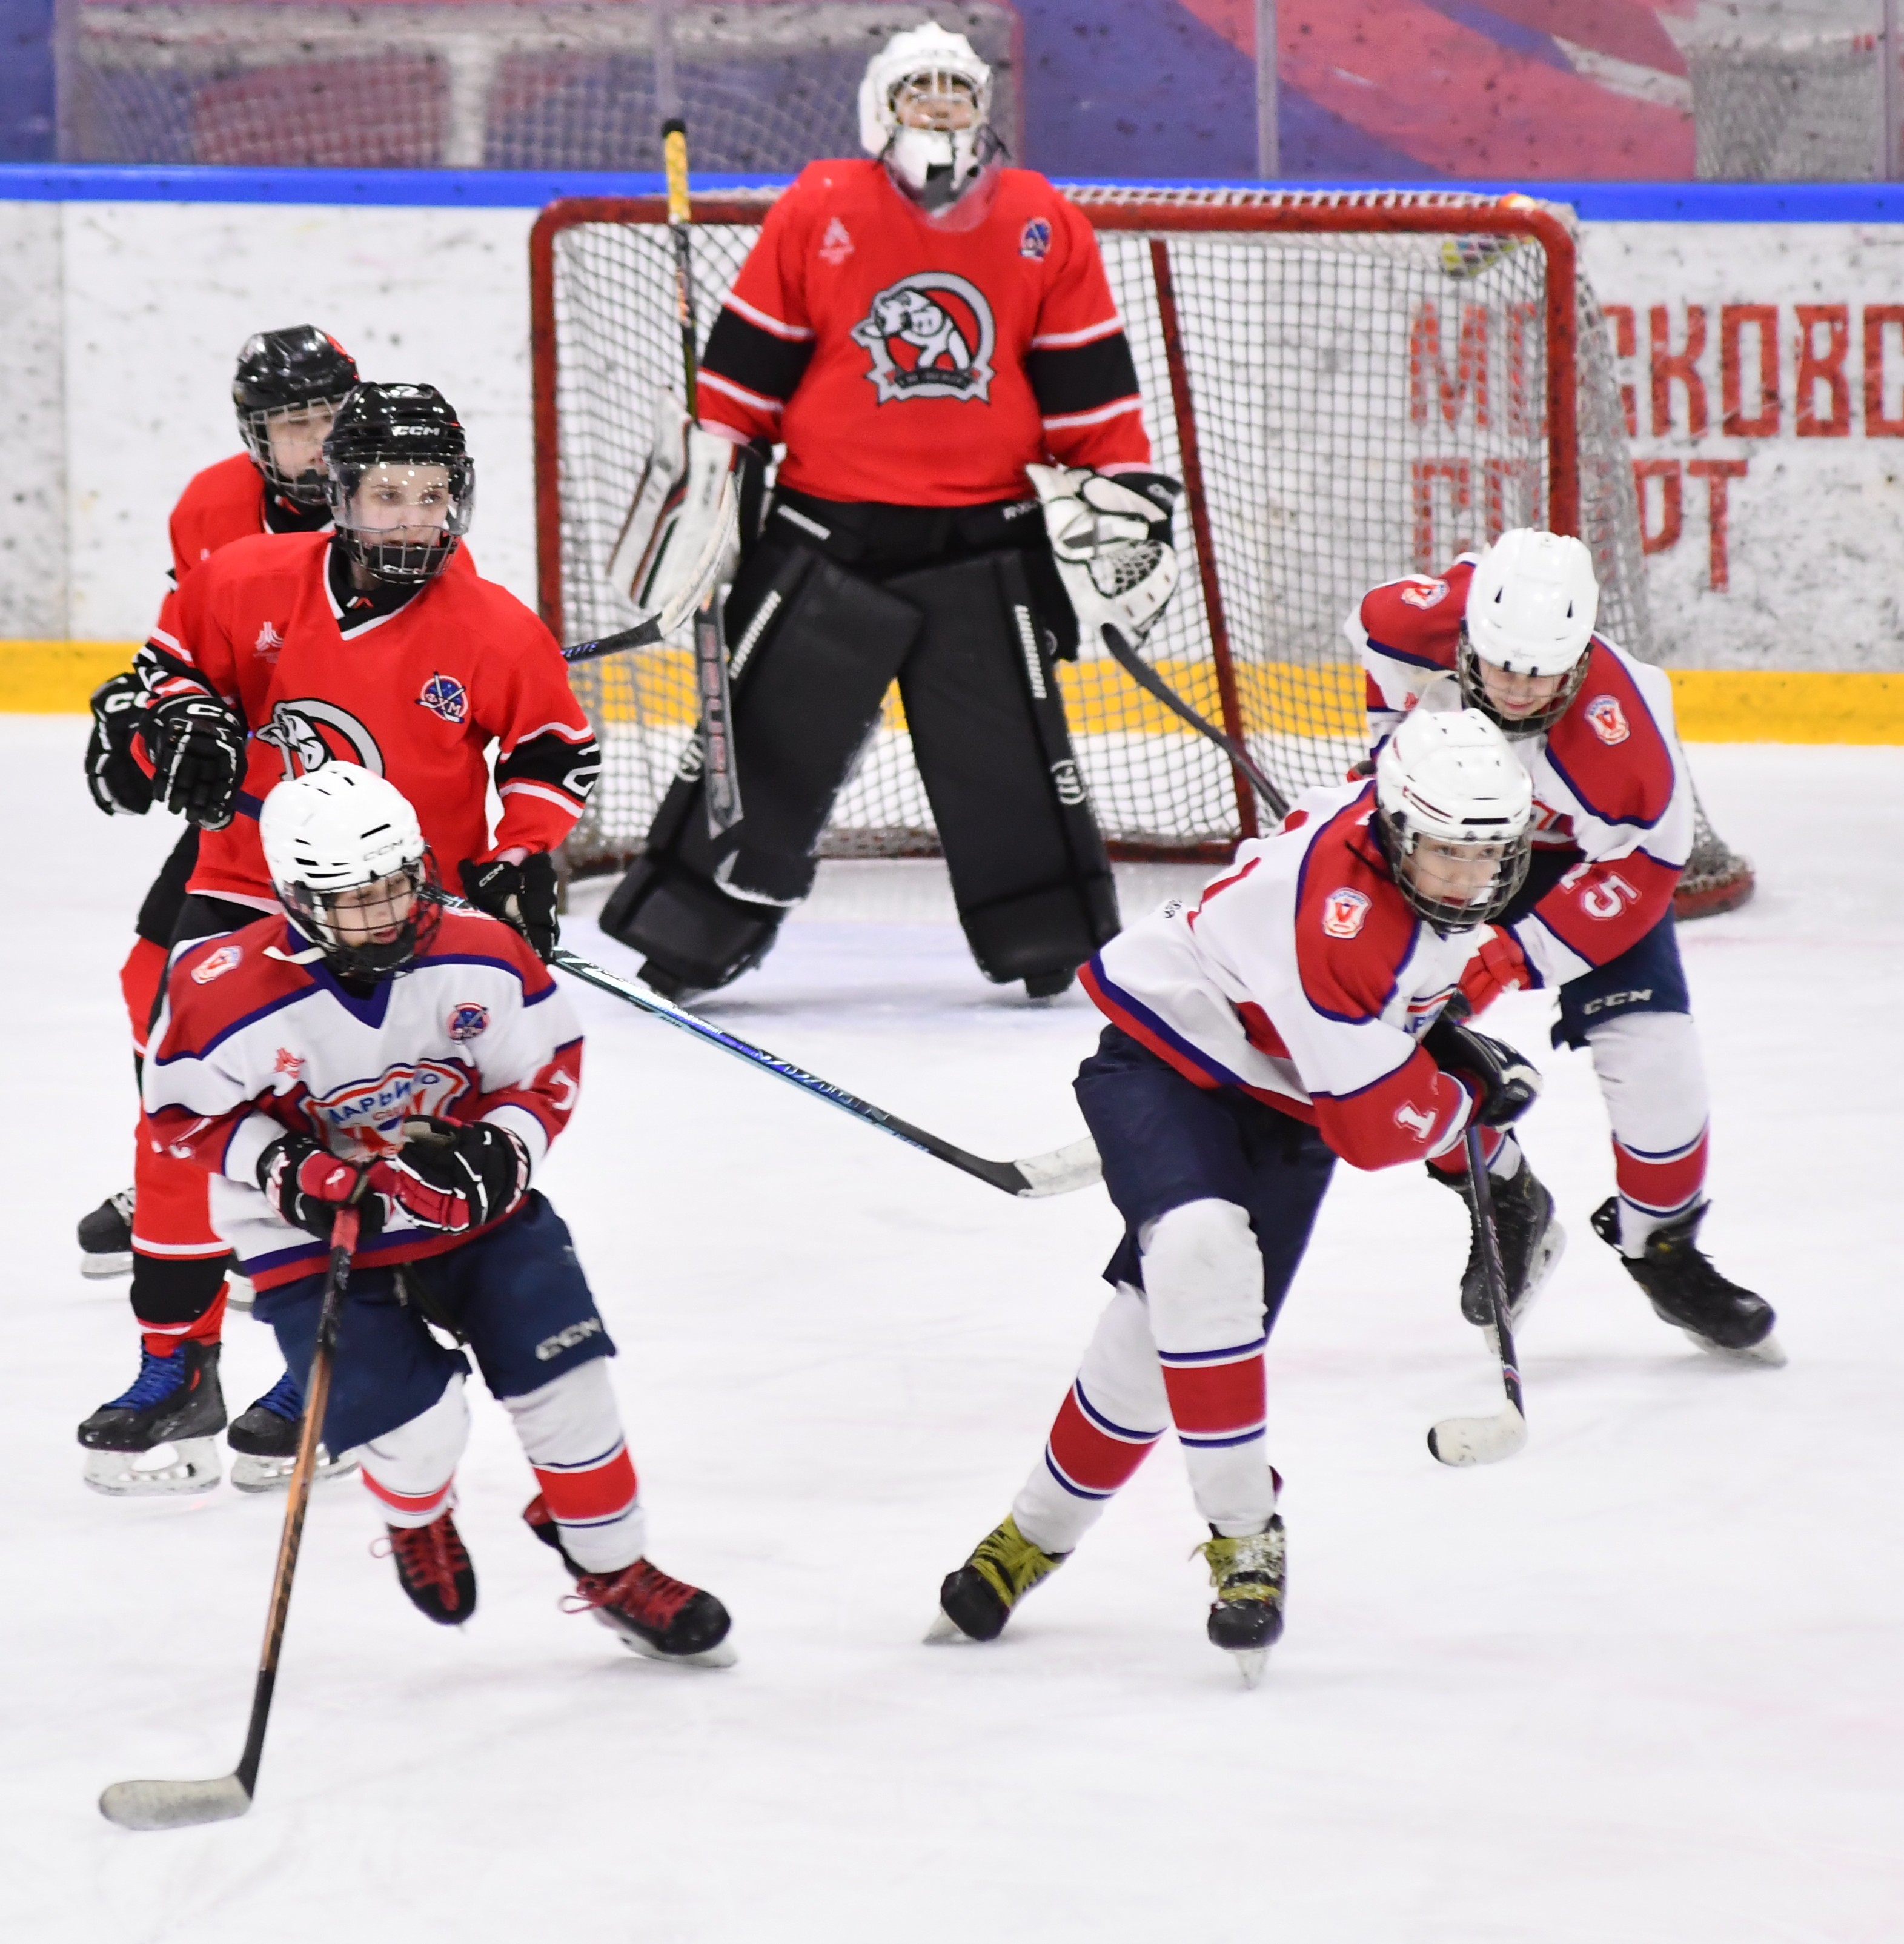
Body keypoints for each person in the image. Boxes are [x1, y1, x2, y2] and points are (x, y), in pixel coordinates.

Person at [932, 709, 1543, 1679]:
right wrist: (1466, 1094)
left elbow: (1397, 1014)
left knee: (1154, 1339)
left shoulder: (1404, 816)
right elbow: (1371, 1128)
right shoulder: (1343, 928)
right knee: (1200, 1251)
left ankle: (1031, 1535)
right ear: (1393, 833)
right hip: (1173, 1056)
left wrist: (1439, 1034)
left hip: (1291, 1096)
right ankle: (1247, 1535)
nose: (1469, 879)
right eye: (1445, 856)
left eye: (1485, 855)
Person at [76, 382, 602, 1497]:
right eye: (384, 495)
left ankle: (314, 1361)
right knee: (184, 1115)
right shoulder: (244, 580)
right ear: (339, 498)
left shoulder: (495, 626)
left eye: (431, 495)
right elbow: (162, 676)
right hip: (249, 888)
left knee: (357, 1134)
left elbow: (554, 751)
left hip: (398, 913)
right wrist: (182, 721)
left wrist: (522, 854)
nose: (410, 518)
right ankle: (175, 1362)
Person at [600, 21, 1179, 1001]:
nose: (941, 106)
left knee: (1014, 764)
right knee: (762, 738)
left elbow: (1089, 391)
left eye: (959, 90)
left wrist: (1124, 496)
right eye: (921, 91)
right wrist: (711, 476)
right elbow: (746, 374)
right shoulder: (821, 203)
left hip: (988, 539)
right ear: (883, 108)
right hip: (829, 534)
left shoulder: (1042, 218)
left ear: (984, 111)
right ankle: (691, 934)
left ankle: (1049, 942)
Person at [139, 764, 732, 1661]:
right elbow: (179, 1113)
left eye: (396, 885)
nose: (385, 914)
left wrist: (507, 1148)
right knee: (420, 1431)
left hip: (472, 1216)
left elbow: (548, 1066)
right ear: (296, 898)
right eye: (354, 900)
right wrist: (282, 1165)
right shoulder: (221, 986)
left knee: (570, 1390)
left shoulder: (482, 950)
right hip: (314, 1235)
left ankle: (613, 1566)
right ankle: (417, 1513)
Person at [1349, 528, 1780, 1363]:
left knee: (1656, 1056)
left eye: (1540, 673)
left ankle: (1663, 1248)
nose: (1514, 689)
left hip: (1593, 861)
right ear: (1469, 634)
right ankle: (1505, 1193)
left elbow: (1646, 869)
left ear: (1579, 657)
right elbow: (1377, 670)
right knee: (1379, 1028)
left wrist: (1511, 956)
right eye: (1500, 664)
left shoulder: (1625, 740)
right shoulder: (1407, 625)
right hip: (1457, 838)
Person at [79, 325, 362, 1279]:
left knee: (306, 1006)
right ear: (256, 435)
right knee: (150, 983)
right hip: (246, 800)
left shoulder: (391, 499)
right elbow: (193, 650)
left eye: (330, 417)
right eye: (294, 425)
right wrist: (148, 719)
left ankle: (282, 1201)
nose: (318, 444)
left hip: (352, 802)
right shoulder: (210, 508)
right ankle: (176, 1178)